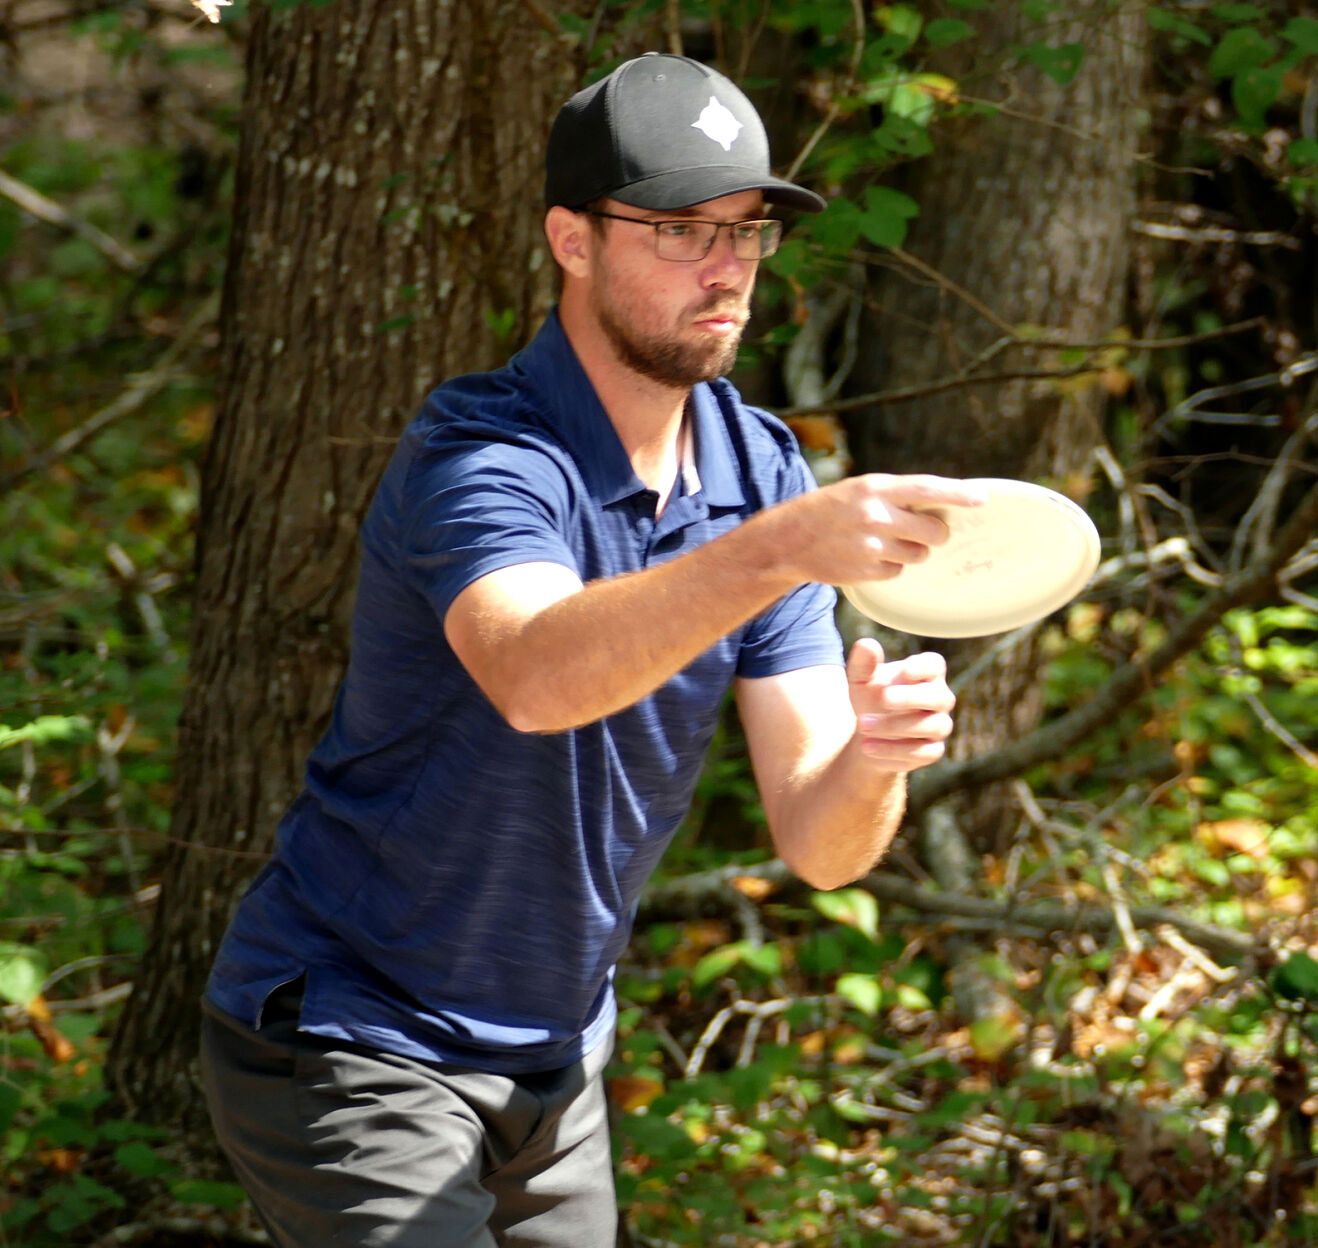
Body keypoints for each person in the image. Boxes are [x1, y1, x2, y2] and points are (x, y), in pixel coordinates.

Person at [198, 52, 983, 1248]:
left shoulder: (758, 471)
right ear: (571, 240)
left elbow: (820, 849)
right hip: (354, 1035)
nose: (725, 267)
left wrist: (875, 759)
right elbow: (534, 675)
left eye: (747, 231)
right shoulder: (484, 455)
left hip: (554, 1064)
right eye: (679, 229)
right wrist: (775, 553)